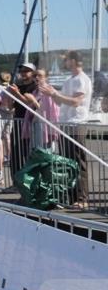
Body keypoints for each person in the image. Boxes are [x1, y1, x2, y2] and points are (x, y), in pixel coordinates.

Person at [43, 50, 92, 208]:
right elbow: (61, 102)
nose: (64, 63)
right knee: (68, 162)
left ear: (73, 61)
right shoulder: (69, 80)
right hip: (66, 124)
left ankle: (82, 198)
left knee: (78, 161)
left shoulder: (81, 80)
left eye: (66, 60)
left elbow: (76, 101)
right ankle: (71, 196)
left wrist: (54, 93)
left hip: (76, 123)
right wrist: (52, 94)